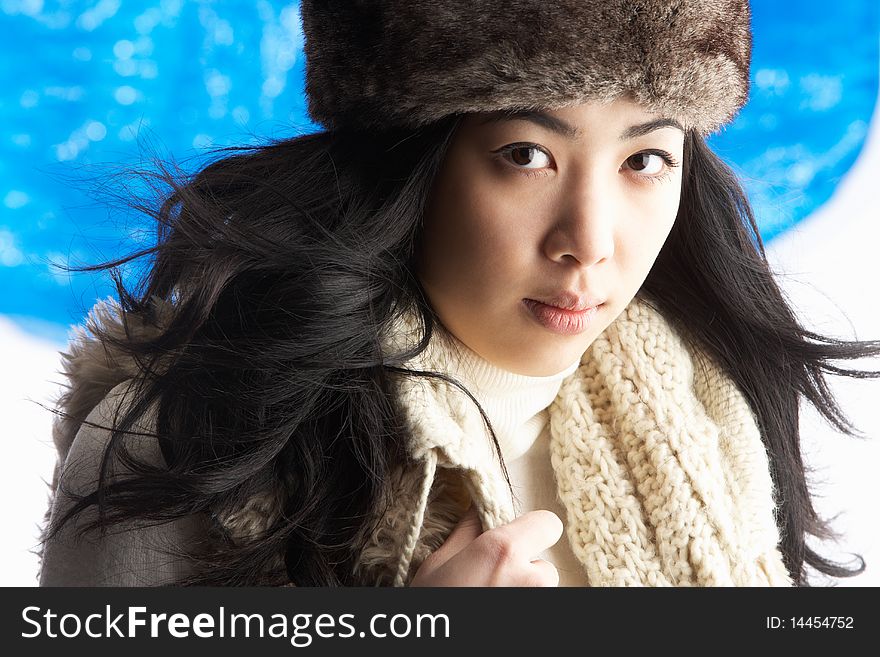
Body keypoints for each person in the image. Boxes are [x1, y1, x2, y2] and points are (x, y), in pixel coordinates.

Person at [38, 0, 880, 587]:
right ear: (412, 163)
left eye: (644, 160)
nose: (587, 241)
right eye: (524, 154)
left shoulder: (709, 415)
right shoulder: (185, 440)